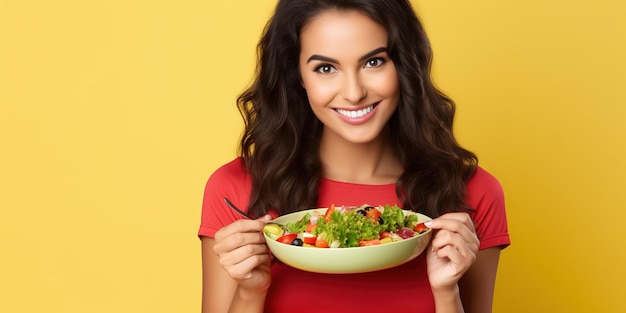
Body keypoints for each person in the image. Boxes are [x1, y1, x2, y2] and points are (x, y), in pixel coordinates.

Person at [198, 0, 510, 312]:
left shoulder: (474, 193)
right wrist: (250, 292)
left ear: (404, 65)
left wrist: (446, 293)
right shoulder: (235, 189)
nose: (353, 92)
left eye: (373, 62)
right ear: (298, 76)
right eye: (326, 68)